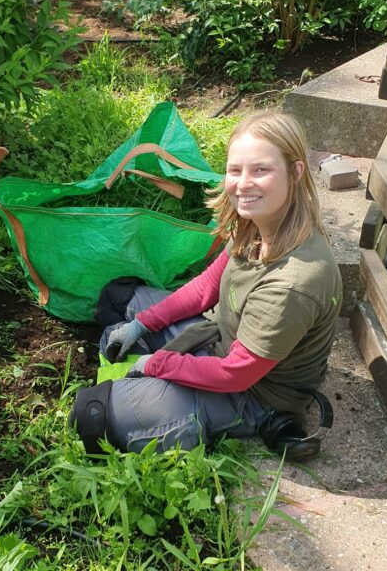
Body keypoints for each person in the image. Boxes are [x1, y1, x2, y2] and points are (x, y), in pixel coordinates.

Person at [78, 110, 342, 454]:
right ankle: (159, 370)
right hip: (223, 337)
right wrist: (142, 324)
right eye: (236, 170)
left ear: (295, 172)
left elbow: (235, 374)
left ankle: (254, 422)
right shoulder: (259, 223)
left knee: (91, 416)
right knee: (119, 300)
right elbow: (205, 288)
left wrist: (157, 364)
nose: (243, 183)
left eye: (260, 170)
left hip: (252, 392)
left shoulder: (294, 282)